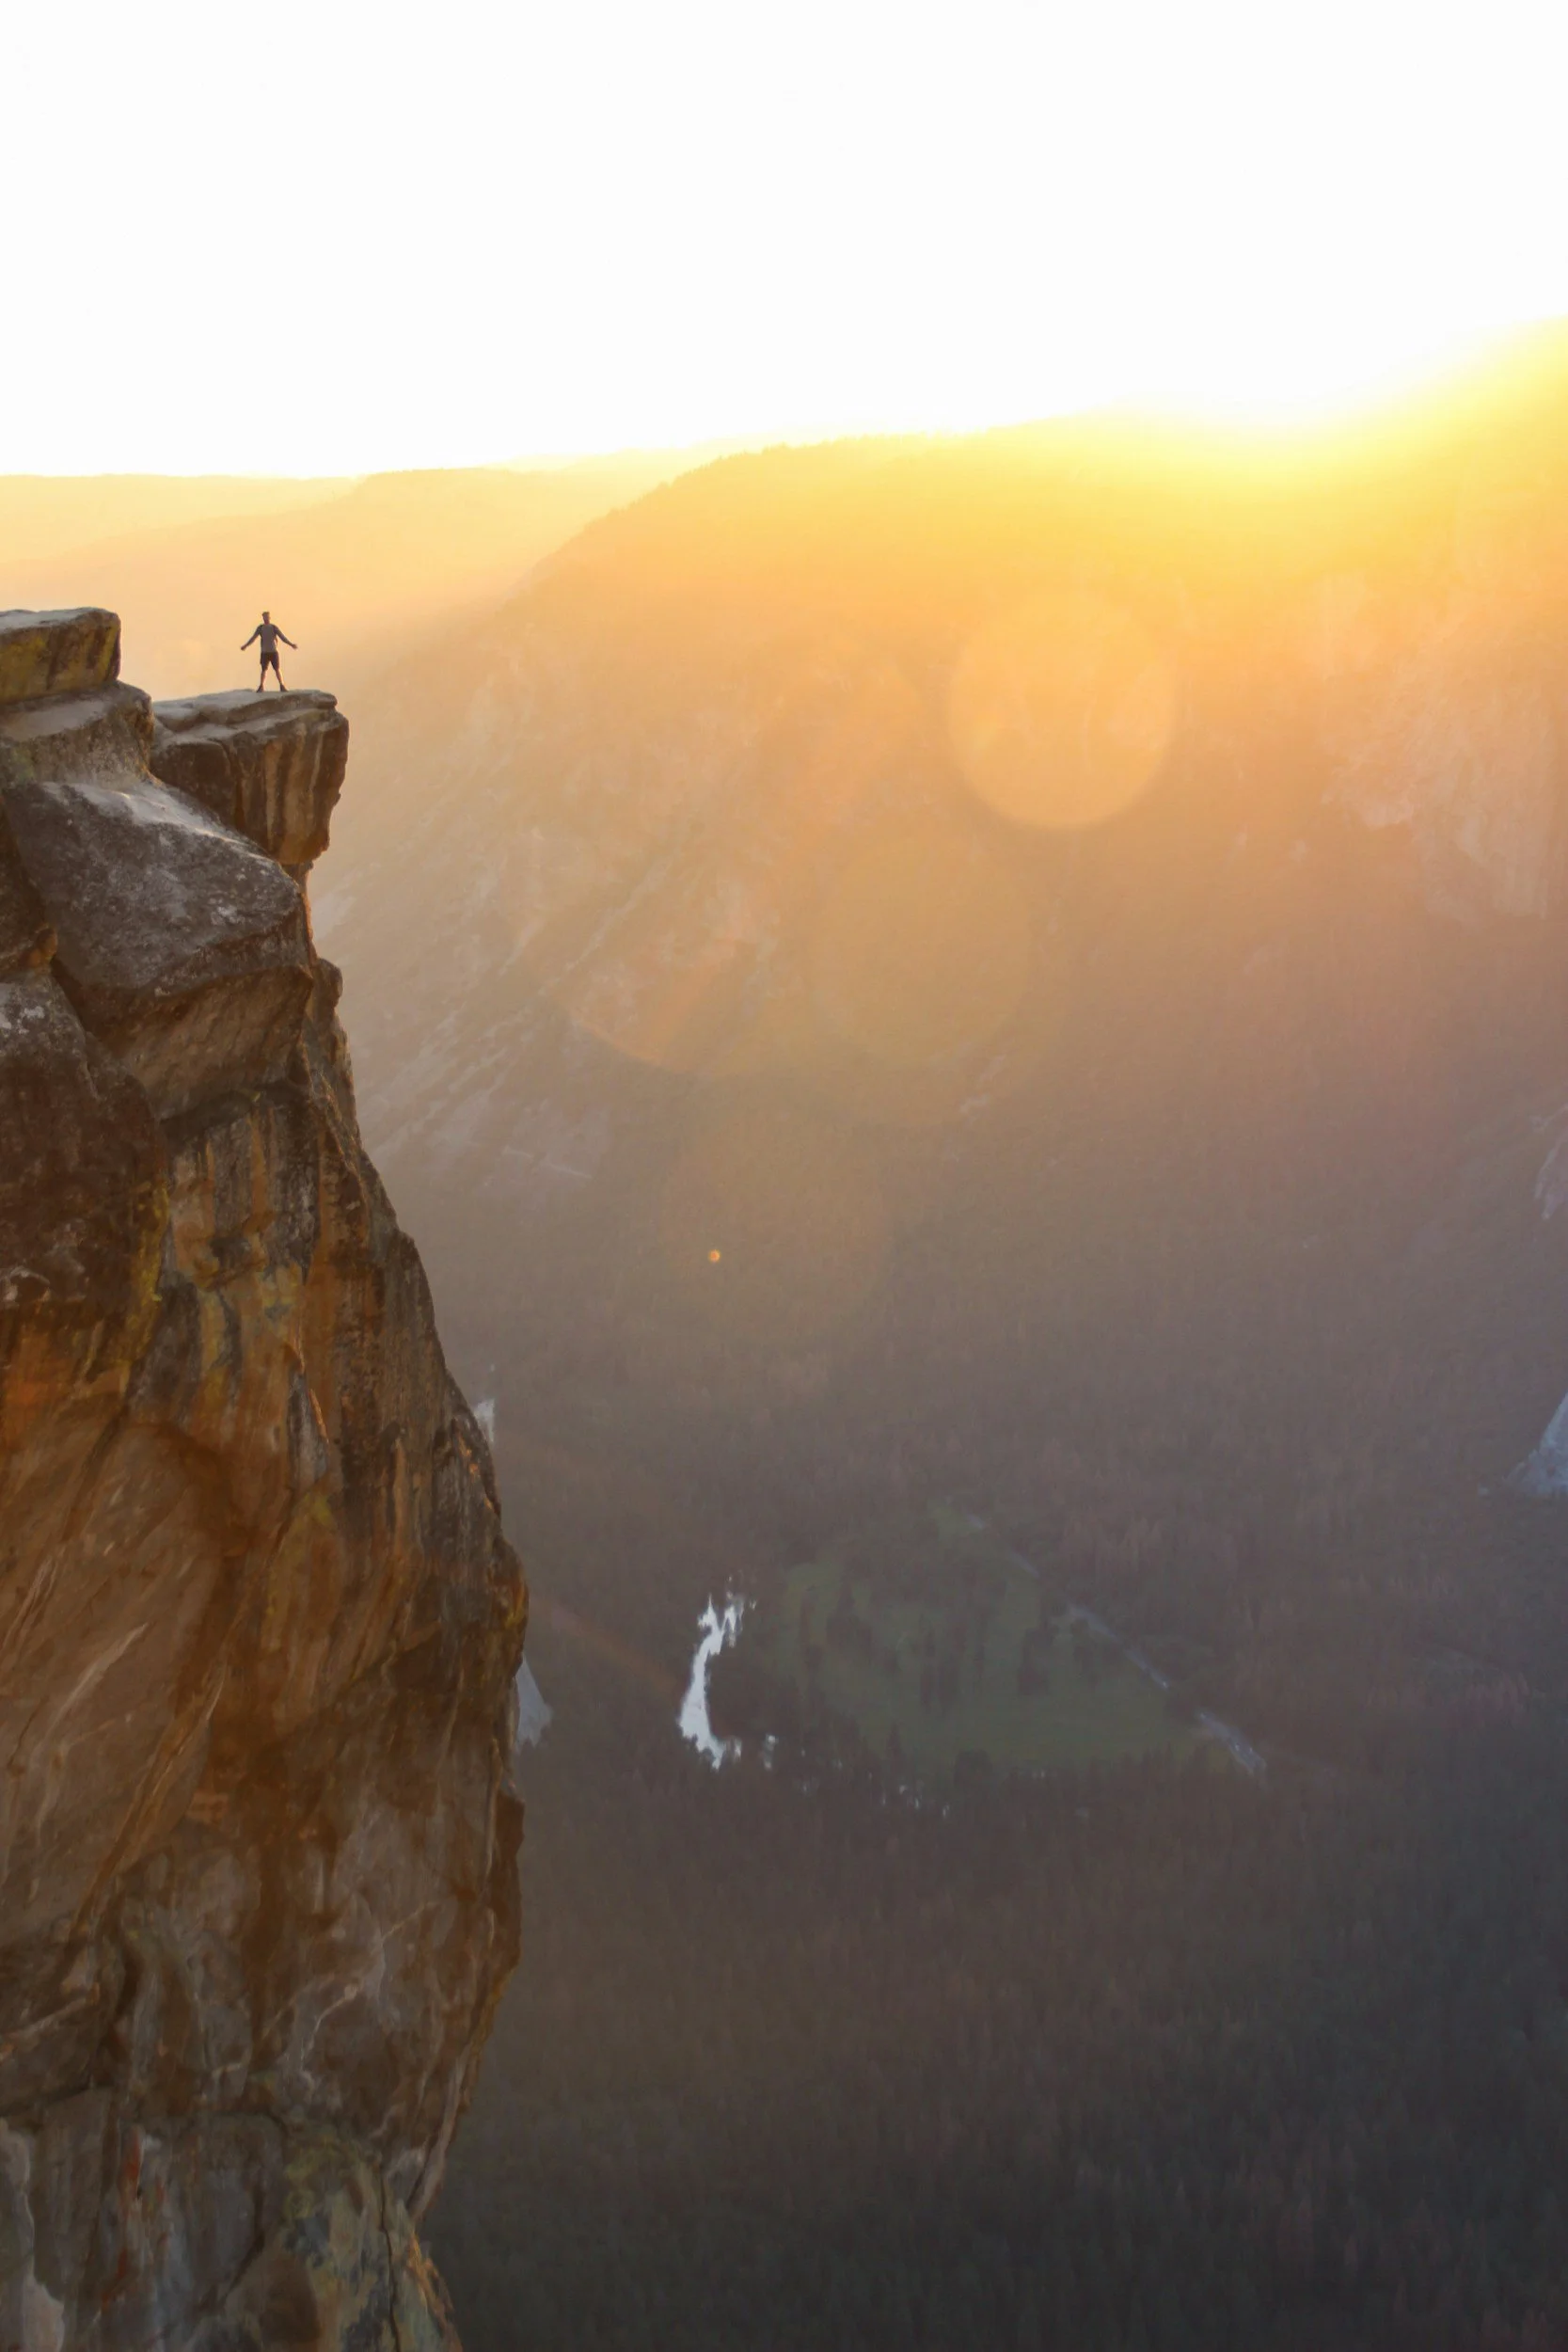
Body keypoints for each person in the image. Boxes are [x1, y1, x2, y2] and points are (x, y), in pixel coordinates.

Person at [240, 612, 296, 690]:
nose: (266, 618)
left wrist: (291, 644)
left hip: (273, 651)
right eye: (264, 617)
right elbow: (253, 638)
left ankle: (282, 685)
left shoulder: (273, 627)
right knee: (264, 670)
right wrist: (245, 646)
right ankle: (261, 685)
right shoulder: (260, 628)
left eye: (267, 617)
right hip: (264, 652)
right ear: (263, 618)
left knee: (277, 669)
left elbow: (282, 637)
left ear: (269, 618)